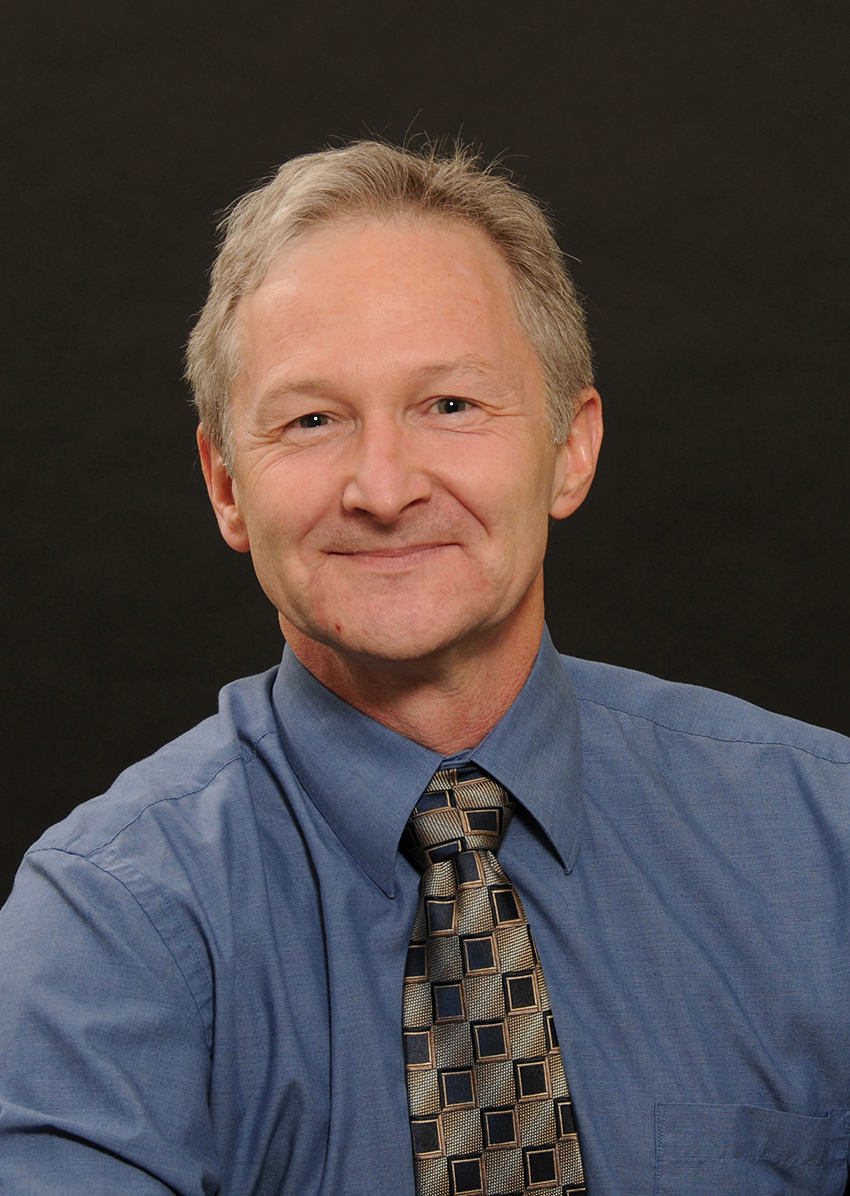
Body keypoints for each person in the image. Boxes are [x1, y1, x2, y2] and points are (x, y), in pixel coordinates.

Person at [1, 141, 849, 1196]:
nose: (384, 486)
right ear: (225, 484)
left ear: (570, 447)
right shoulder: (108, 926)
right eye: (312, 420)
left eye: (449, 405)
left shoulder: (827, 841)